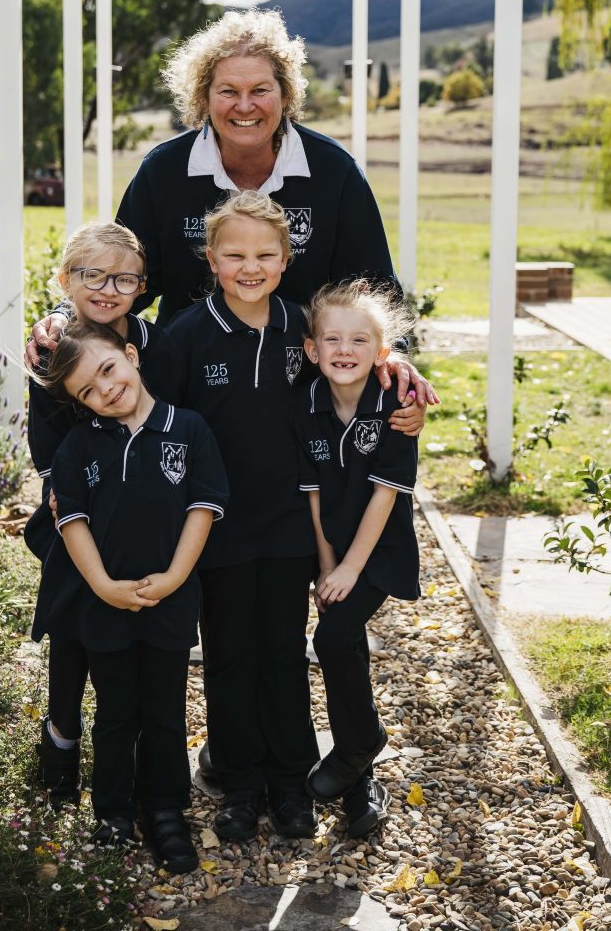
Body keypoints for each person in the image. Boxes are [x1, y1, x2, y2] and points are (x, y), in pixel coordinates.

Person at [26, 8, 437, 426]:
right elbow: (120, 270)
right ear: (203, 97)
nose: (245, 106)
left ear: (286, 94)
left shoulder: (334, 173)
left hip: (307, 389)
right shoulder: (164, 172)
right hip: (189, 386)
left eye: (260, 89)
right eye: (227, 91)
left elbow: (375, 288)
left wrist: (395, 356)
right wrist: (64, 315)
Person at [164, 192, 393, 843]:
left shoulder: (303, 330)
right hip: (218, 528)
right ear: (211, 259)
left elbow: (360, 371)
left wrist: (401, 381)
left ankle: (291, 780)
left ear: (287, 260)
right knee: (230, 654)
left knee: (285, 653)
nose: (250, 266)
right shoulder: (187, 336)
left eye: (265, 254)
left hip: (292, 525)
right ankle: (240, 783)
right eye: (234, 254)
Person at [31, 322, 228, 872]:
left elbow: (203, 509)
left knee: (164, 711)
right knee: (116, 712)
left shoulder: (188, 430)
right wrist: (102, 586)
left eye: (108, 370)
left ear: (132, 356)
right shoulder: (79, 445)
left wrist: (172, 578)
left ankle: (165, 809)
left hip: (170, 597)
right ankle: (113, 811)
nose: (106, 390)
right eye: (87, 391)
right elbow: (71, 521)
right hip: (104, 603)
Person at [25, 223, 175, 809]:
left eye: (124, 278)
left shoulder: (153, 344)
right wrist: (64, 491)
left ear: (142, 286)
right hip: (74, 504)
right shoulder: (53, 345)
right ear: (66, 280)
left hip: (142, 508)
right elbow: (45, 438)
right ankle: (61, 734)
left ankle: (131, 744)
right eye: (92, 275)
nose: (108, 289)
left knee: (129, 625)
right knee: (73, 622)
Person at [295, 280, 420, 839]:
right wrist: (326, 565)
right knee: (338, 638)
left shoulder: (397, 405)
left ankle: (357, 746)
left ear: (382, 351)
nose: (345, 350)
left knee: (331, 637)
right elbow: (314, 494)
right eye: (333, 339)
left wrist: (348, 570)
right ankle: (360, 771)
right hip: (336, 548)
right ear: (312, 349)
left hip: (379, 551)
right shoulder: (308, 403)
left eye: (360, 340)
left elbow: (384, 495)